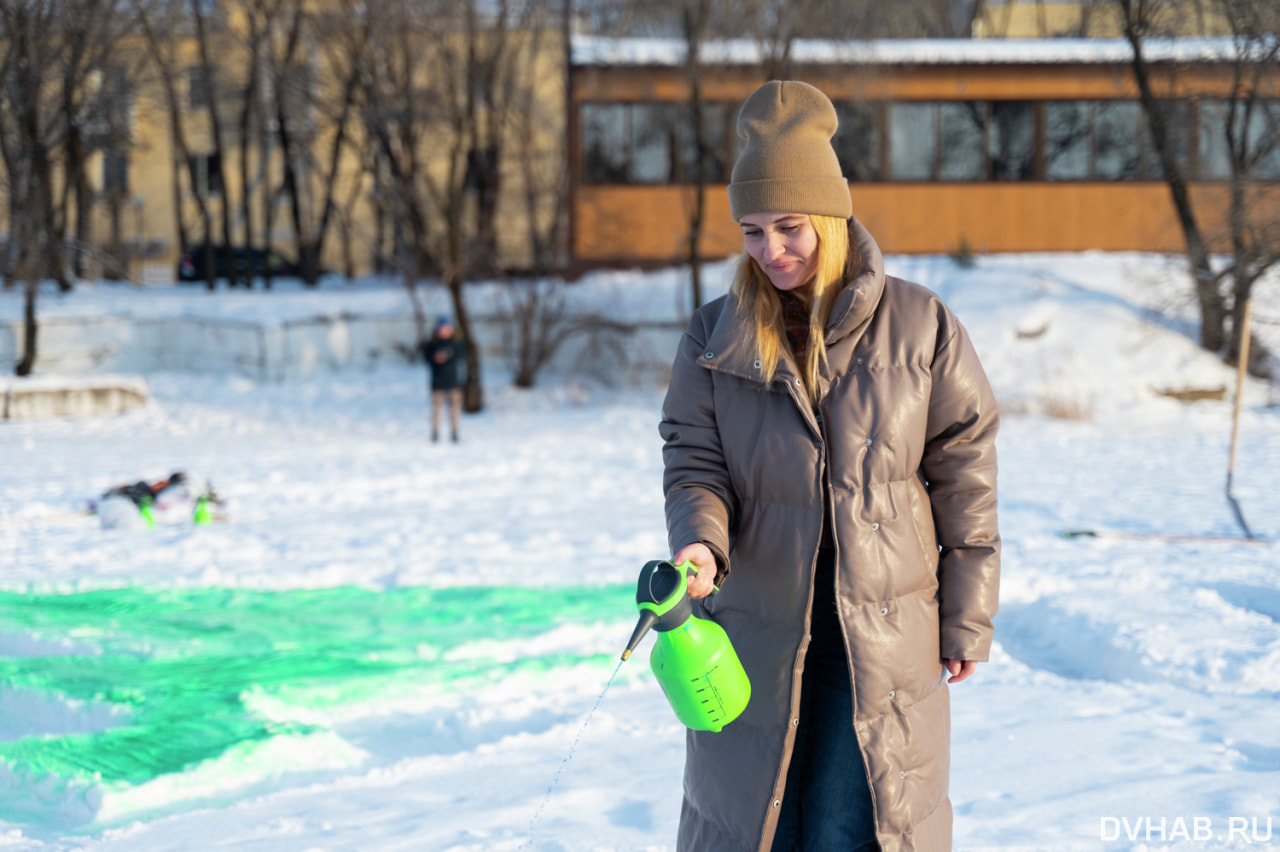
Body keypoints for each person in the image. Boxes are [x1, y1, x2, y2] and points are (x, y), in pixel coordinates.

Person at [659, 80, 1000, 852]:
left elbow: (965, 470)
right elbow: (694, 459)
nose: (770, 251)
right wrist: (700, 542)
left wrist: (967, 616)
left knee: (851, 830)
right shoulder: (716, 336)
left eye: (789, 227)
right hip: (753, 631)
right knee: (757, 828)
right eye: (752, 231)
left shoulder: (921, 326)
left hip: (881, 639)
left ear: (832, 218)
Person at [421, 317, 466, 442]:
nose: (444, 331)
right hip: (437, 383)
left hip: (453, 382)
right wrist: (435, 358)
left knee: (454, 409)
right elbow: (426, 358)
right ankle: (435, 433)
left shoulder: (457, 344)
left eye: (447, 328)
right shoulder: (432, 345)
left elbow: (460, 356)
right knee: (436, 409)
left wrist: (448, 355)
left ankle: (454, 432)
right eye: (442, 328)